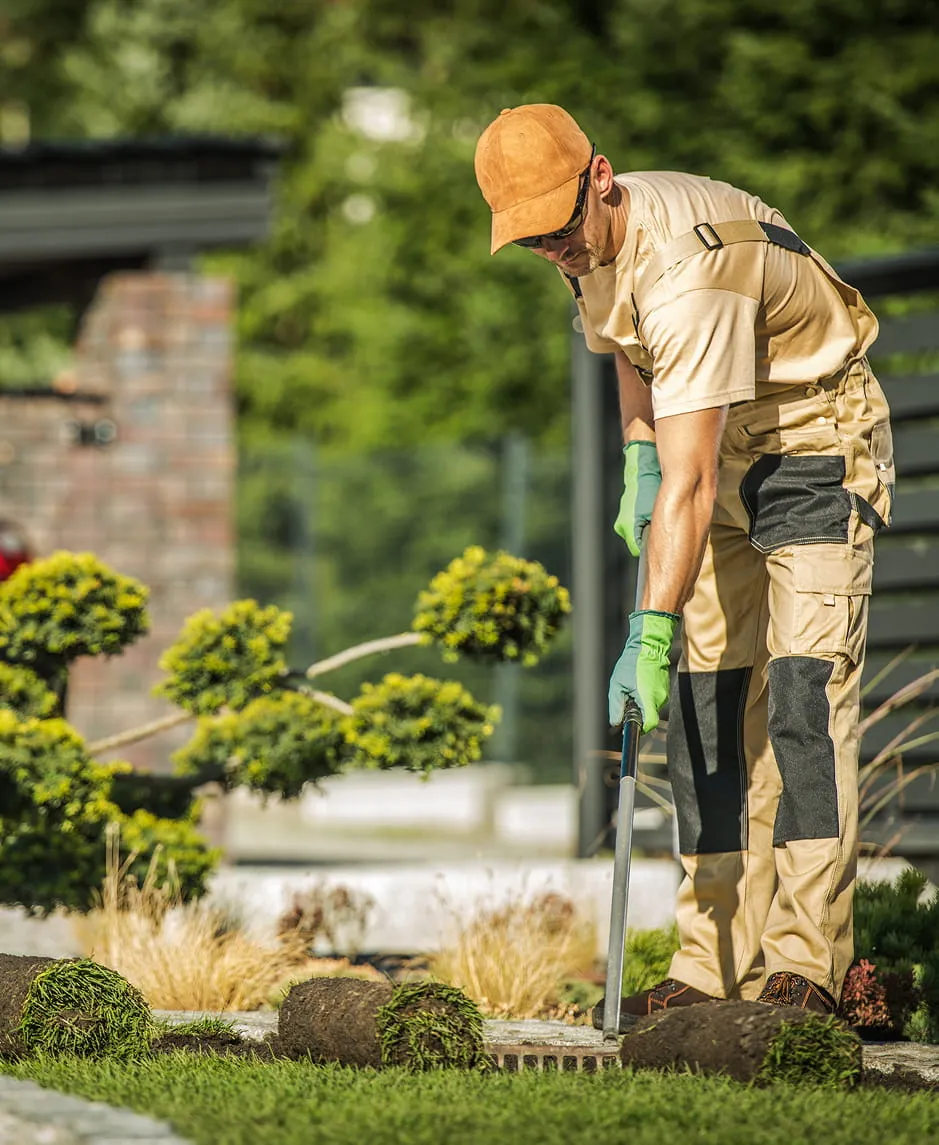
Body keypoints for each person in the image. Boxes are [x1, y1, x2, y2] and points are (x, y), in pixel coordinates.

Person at [474, 104, 894, 1028]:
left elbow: (694, 480)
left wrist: (649, 627)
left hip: (813, 445)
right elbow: (630, 351)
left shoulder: (689, 272)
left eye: (559, 229)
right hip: (716, 445)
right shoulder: (588, 246)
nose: (555, 252)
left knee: (799, 699)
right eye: (533, 241)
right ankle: (709, 965)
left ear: (601, 178)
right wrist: (636, 458)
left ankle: (806, 965)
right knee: (705, 708)